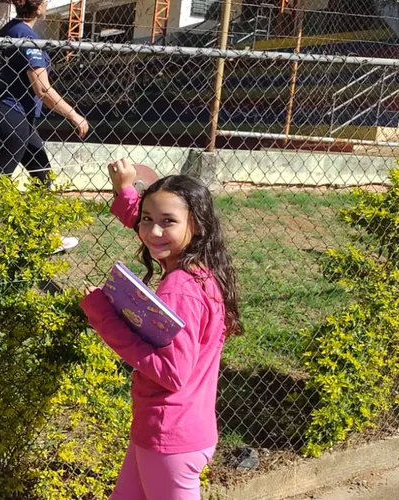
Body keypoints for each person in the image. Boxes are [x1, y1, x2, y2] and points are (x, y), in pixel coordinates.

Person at [80, 158, 242, 500]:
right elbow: (157, 224)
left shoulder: (178, 290)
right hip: (171, 431)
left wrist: (102, 316)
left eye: (168, 222)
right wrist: (124, 191)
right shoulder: (202, 268)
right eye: (147, 220)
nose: (152, 231)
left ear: (197, 226)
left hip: (169, 438)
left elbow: (171, 371)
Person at [0, 0, 89, 259]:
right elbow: (42, 89)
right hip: (12, 114)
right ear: (40, 7)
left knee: (41, 174)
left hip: (11, 112)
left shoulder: (9, 30)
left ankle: (44, 235)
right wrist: (74, 115)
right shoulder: (25, 36)